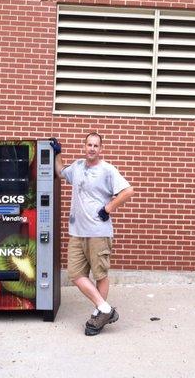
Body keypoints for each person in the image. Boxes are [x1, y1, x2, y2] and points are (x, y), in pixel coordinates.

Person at [50, 133, 134, 336]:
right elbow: (60, 172)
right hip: (77, 232)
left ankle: (99, 316)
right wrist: (57, 153)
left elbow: (128, 191)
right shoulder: (77, 166)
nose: (92, 148)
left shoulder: (107, 170)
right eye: (89, 144)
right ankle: (105, 308)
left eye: (96, 145)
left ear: (101, 149)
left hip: (98, 232)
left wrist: (108, 208)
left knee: (100, 274)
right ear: (84, 146)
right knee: (75, 274)